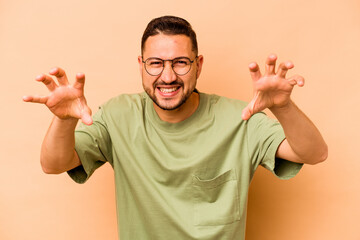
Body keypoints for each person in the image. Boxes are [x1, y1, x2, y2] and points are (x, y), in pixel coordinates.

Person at [23, 16, 327, 240]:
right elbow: (54, 164)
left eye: (180, 62)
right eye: (155, 63)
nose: (168, 76)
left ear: (199, 64)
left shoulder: (240, 117)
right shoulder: (118, 115)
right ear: (141, 64)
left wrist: (282, 107)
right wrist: (64, 120)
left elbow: (313, 153)